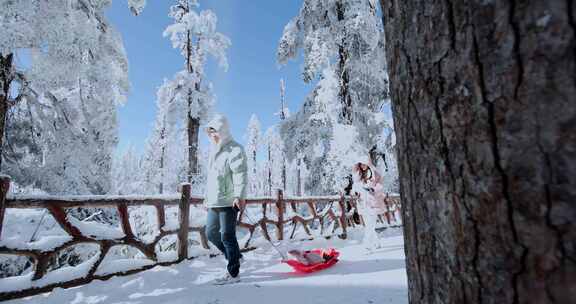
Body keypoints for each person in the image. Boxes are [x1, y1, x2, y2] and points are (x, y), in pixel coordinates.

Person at [204, 114, 248, 285]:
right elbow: (211, 179)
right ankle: (235, 256)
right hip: (214, 201)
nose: (213, 136)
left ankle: (233, 273)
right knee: (210, 233)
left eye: (215, 132)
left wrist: (239, 196)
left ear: (223, 131)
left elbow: (240, 175)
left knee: (227, 236)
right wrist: (207, 198)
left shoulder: (235, 149)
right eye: (210, 133)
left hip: (229, 201)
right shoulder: (214, 152)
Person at [352, 157, 389, 251]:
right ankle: (376, 243)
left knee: (370, 225)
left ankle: (366, 243)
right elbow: (355, 187)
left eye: (364, 164)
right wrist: (355, 192)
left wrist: (373, 190)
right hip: (362, 203)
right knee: (368, 224)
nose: (362, 166)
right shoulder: (358, 175)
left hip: (373, 202)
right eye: (360, 164)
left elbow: (380, 186)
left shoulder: (375, 174)